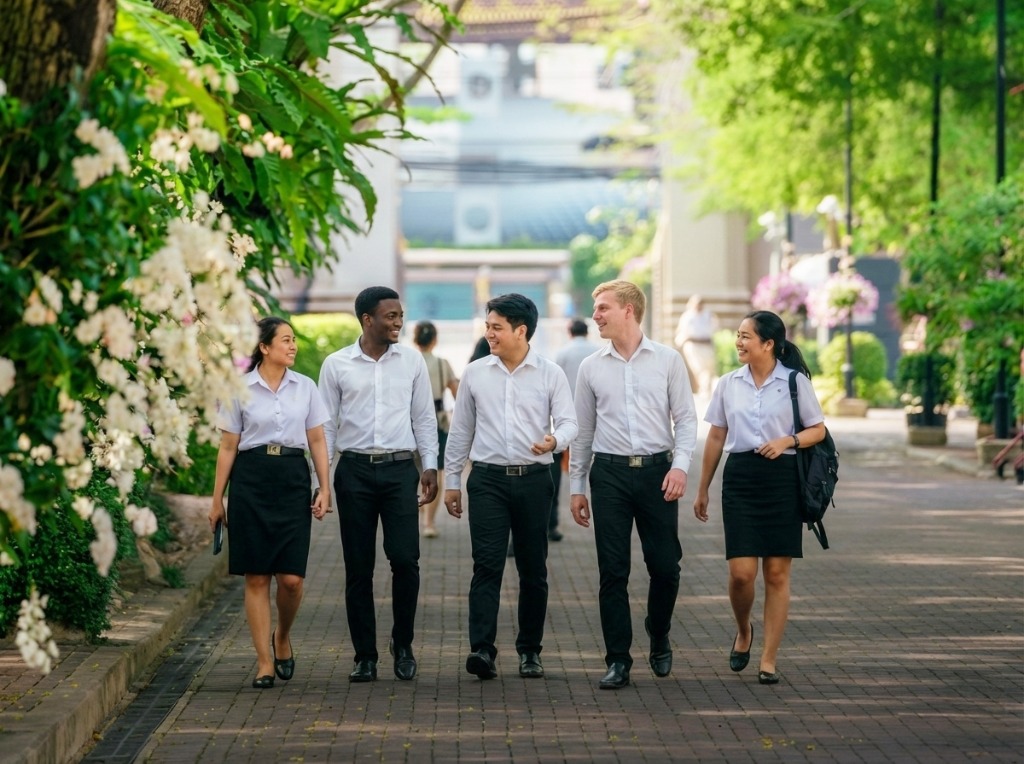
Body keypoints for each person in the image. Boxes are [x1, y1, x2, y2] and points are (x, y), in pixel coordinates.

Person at [569, 280, 697, 690]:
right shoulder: (591, 367)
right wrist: (576, 487)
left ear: (629, 310)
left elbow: (687, 419)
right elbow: (583, 432)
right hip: (608, 475)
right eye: (596, 308)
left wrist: (680, 467)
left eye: (603, 307)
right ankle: (618, 660)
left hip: (658, 474)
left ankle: (658, 632)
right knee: (613, 571)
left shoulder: (668, 360)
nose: (596, 315)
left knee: (665, 567)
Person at [443, 294, 577, 681]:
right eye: (488, 326)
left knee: (533, 569)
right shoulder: (475, 373)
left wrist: (555, 441)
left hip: (535, 480)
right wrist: (453, 481)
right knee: (486, 566)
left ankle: (529, 651)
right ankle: (482, 650)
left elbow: (570, 423)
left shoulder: (550, 373)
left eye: (496, 327)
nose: (489, 334)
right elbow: (461, 430)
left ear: (521, 330)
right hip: (486, 481)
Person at [693, 310, 826, 686]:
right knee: (741, 574)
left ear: (768, 344)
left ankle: (768, 658)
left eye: (745, 336)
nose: (738, 342)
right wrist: (703, 487)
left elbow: (818, 430)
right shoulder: (728, 384)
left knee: (777, 573)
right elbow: (717, 436)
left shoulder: (795, 382)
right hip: (741, 478)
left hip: (782, 478)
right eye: (738, 335)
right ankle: (743, 629)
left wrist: (788, 440)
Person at [318, 287, 439, 683]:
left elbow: (423, 418)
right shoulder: (336, 365)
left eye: (400, 316)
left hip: (399, 470)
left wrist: (430, 466)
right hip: (353, 473)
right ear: (367, 319)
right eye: (390, 316)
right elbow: (327, 428)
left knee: (406, 560)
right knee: (358, 567)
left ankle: (402, 645)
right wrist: (323, 481)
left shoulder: (412, 362)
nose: (398, 323)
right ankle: (364, 655)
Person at [209, 317, 332, 690]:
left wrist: (324, 488)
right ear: (264, 347)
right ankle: (264, 661)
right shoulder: (240, 389)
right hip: (251, 479)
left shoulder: (306, 387)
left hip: (293, 478)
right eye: (285, 340)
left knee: (291, 580)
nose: (293, 346)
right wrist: (217, 500)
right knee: (257, 574)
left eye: (293, 340)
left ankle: (282, 637)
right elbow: (229, 446)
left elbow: (318, 441)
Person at [548, 318, 600, 541]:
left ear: (569, 332)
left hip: (564, 416)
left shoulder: (562, 353)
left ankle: (551, 524)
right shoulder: (598, 351)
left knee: (555, 472)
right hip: (593, 415)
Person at [413, 321, 459, 538]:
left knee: (413, 471)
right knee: (437, 473)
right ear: (435, 340)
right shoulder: (442, 364)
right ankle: (429, 522)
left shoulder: (409, 362)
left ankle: (420, 511)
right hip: (437, 422)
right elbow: (457, 392)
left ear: (415, 339)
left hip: (409, 423)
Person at [674, 294, 718, 397]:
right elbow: (681, 331)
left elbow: (714, 328)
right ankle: (704, 390)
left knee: (709, 369)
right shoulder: (687, 316)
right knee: (699, 369)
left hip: (706, 345)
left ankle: (706, 390)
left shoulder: (708, 315)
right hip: (693, 346)